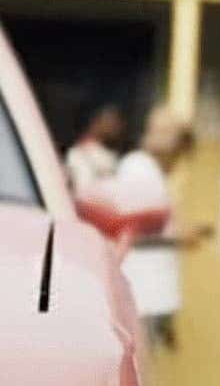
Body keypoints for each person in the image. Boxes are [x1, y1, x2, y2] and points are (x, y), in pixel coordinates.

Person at [111, 109, 209, 347]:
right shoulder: (138, 170)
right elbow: (128, 232)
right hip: (142, 296)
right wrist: (179, 239)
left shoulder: (152, 173)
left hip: (153, 298)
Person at [65, 102, 126, 194]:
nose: (114, 128)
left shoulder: (114, 156)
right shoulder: (78, 152)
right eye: (109, 122)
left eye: (117, 124)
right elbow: (83, 189)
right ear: (96, 122)